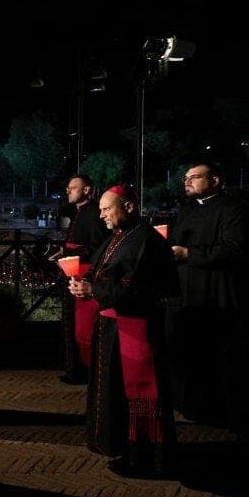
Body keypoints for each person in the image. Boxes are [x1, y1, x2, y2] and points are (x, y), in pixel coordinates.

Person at [71, 184, 179, 477]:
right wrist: (83, 284)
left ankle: (144, 457)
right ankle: (118, 445)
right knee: (114, 390)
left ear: (128, 207)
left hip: (136, 326)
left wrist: (93, 289)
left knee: (139, 393)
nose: (102, 215)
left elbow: (136, 288)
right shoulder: (119, 236)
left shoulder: (145, 240)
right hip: (113, 326)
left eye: (107, 209)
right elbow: (99, 270)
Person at [166, 162, 249, 433]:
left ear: (215, 180)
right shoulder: (186, 210)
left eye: (194, 177)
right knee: (192, 354)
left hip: (220, 294)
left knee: (223, 357)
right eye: (185, 178)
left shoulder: (234, 209)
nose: (187, 182)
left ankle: (228, 413)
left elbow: (235, 249)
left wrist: (189, 254)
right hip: (188, 294)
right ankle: (194, 407)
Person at [54, 175, 111, 384]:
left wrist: (69, 254)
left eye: (73, 188)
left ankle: (82, 371)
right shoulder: (78, 212)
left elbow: (98, 248)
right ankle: (74, 370)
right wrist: (63, 252)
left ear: (86, 190)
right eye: (68, 188)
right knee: (71, 321)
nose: (68, 191)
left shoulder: (95, 213)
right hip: (73, 271)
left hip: (83, 274)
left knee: (82, 325)